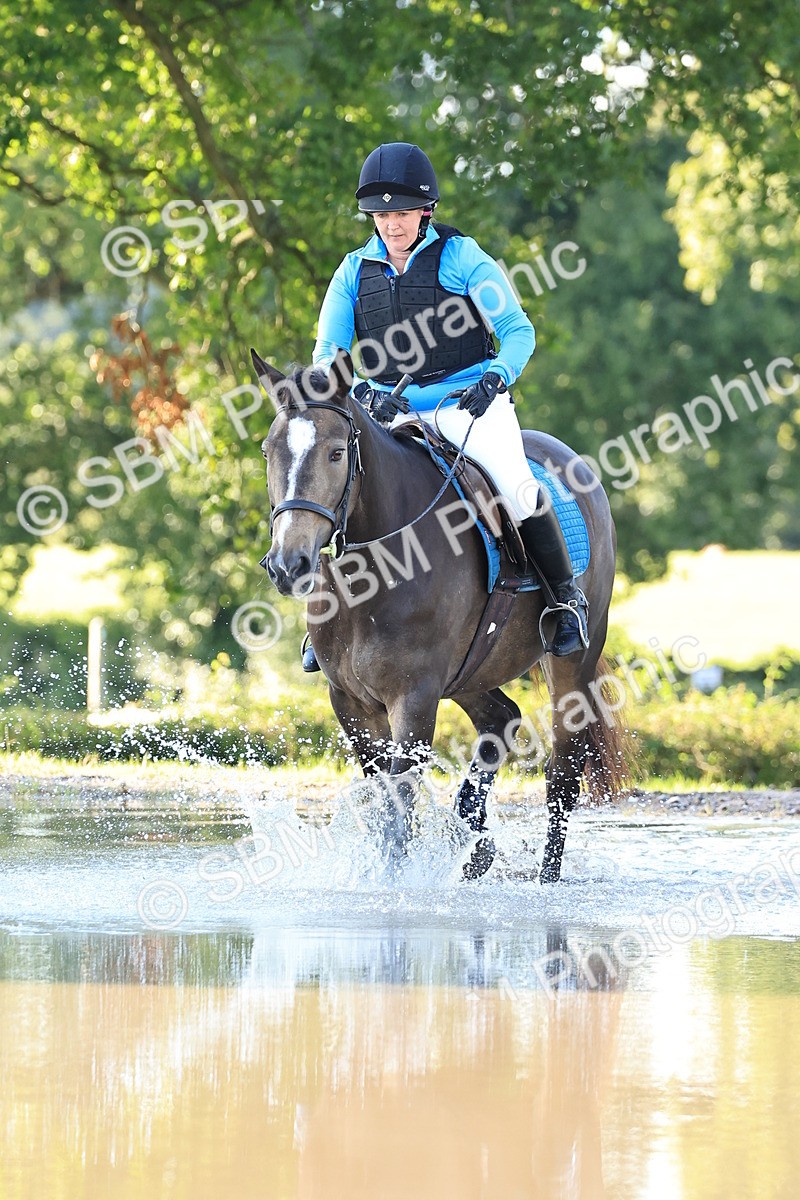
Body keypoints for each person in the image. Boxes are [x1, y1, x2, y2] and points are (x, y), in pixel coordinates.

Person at [303, 141, 588, 672]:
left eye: (403, 213)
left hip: (469, 405)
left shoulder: (461, 257)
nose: (392, 225)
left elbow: (517, 331)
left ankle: (564, 599)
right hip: (393, 411)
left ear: (425, 211)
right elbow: (327, 354)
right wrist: (355, 386)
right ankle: (328, 618)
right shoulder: (351, 271)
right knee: (336, 484)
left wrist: (497, 377)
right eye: (382, 215)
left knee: (516, 486)